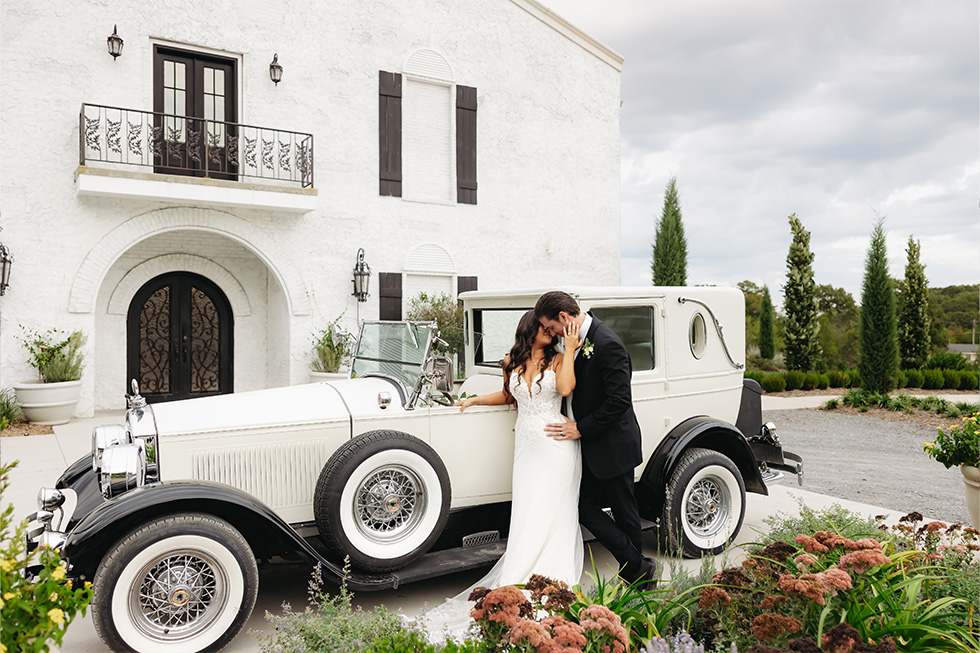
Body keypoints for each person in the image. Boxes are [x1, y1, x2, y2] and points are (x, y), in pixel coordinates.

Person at [421, 309, 584, 640]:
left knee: (554, 510)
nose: (550, 330)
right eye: (543, 327)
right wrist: (475, 400)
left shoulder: (557, 359)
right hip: (526, 447)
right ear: (529, 329)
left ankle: (550, 578)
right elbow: (509, 396)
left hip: (556, 445)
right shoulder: (511, 361)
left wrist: (568, 350)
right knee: (527, 510)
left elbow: (566, 389)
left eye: (550, 327)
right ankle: (520, 571)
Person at [535, 290, 657, 589]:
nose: (551, 333)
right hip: (588, 445)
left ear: (564, 317)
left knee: (625, 513)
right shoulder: (573, 340)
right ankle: (639, 567)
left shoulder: (607, 343)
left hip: (613, 444)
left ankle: (638, 580)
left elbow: (619, 401)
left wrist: (581, 428)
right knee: (583, 507)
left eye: (551, 327)